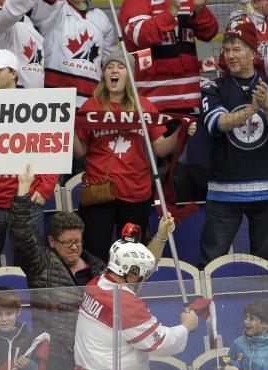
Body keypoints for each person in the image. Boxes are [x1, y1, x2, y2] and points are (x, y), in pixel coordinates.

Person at [74, 50, 196, 261]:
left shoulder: (145, 107)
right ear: (104, 74)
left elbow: (159, 148)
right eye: (109, 67)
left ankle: (129, 295)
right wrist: (68, 131)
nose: (114, 71)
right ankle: (96, 293)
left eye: (120, 67)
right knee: (94, 255)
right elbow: (80, 152)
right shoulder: (91, 106)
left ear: (130, 75)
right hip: (99, 193)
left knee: (131, 257)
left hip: (135, 195)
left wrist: (180, 133)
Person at [200, 25, 268, 266]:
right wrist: (252, 109)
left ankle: (264, 305)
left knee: (266, 263)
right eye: (227, 49)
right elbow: (216, 124)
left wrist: (267, 106)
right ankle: (204, 305)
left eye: (237, 49)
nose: (230, 55)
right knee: (211, 262)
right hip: (225, 190)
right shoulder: (213, 88)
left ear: (253, 53)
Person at [9, 170, 105, 370]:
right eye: (68, 242)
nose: (74, 247)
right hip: (53, 358)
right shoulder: (40, 263)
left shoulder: (98, 268)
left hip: (92, 354)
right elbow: (21, 235)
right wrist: (23, 193)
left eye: (78, 242)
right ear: (52, 242)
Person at [0, 51, 57, 279]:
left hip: (27, 200)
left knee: (31, 269)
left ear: (13, 73)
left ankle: (31, 315)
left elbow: (53, 147)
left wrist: (45, 188)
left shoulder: (37, 105)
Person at [70, 230, 199, 370]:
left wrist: (161, 237)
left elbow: (138, 272)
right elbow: (160, 343)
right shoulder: (125, 303)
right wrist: (186, 326)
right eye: (141, 274)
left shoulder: (97, 283)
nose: (144, 279)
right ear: (130, 272)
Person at [118, 0, 218, 113]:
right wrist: (171, 11)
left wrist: (199, 9)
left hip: (189, 99)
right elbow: (142, 36)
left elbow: (209, 33)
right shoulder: (136, 1)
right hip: (151, 103)